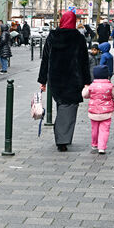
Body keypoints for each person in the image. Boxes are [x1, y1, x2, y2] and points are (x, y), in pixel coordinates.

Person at [38, 11, 91, 152]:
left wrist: (43, 80)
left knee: (62, 105)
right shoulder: (78, 38)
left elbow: (45, 59)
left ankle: (63, 136)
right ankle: (62, 139)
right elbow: (84, 61)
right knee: (69, 107)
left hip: (56, 78)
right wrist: (87, 81)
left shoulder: (52, 36)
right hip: (73, 78)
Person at [82, 65, 114, 154]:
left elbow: (85, 95)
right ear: (107, 75)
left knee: (94, 129)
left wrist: (85, 88)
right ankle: (101, 147)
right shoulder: (110, 86)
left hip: (93, 112)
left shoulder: (92, 86)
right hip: (106, 112)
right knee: (104, 130)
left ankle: (94, 144)